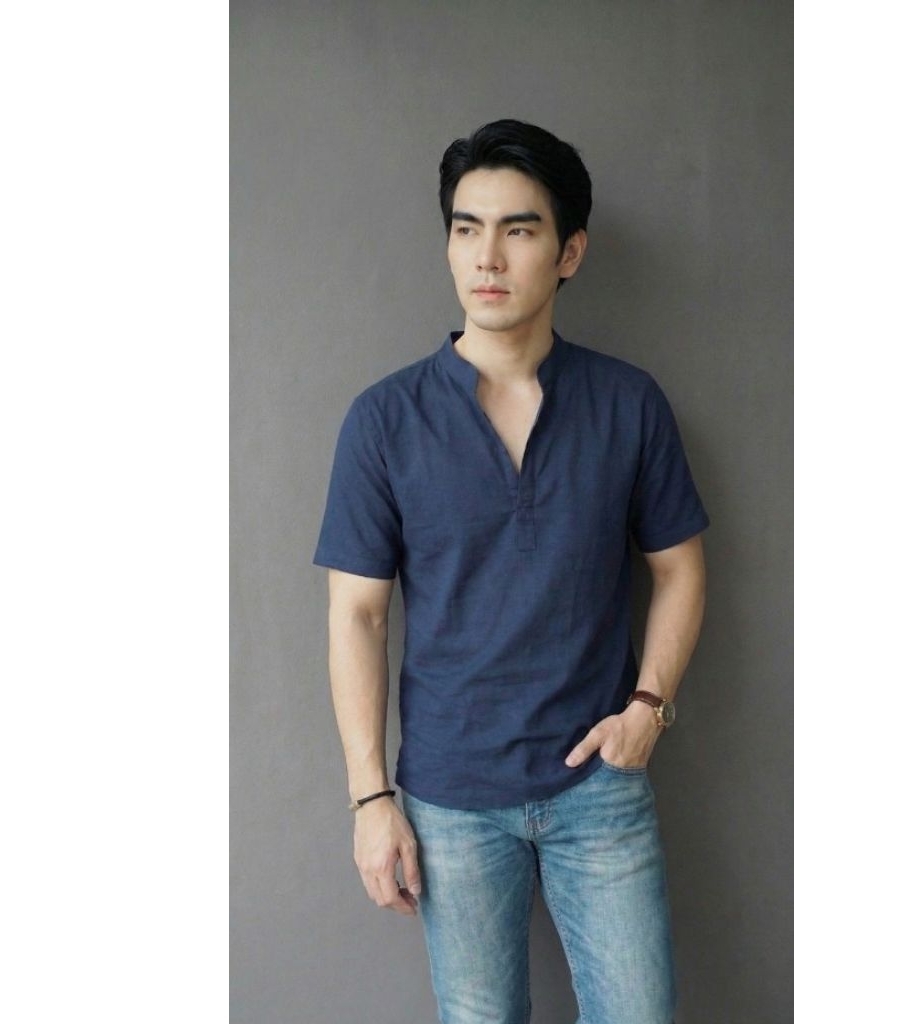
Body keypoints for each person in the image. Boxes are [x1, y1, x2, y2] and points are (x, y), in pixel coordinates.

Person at [314, 118, 709, 1024]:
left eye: (518, 230)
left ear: (569, 252)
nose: (486, 257)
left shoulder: (628, 403)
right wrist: (370, 799)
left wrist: (648, 709)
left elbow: (681, 569)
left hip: (599, 787)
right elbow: (357, 616)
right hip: (449, 798)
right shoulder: (384, 420)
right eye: (467, 228)